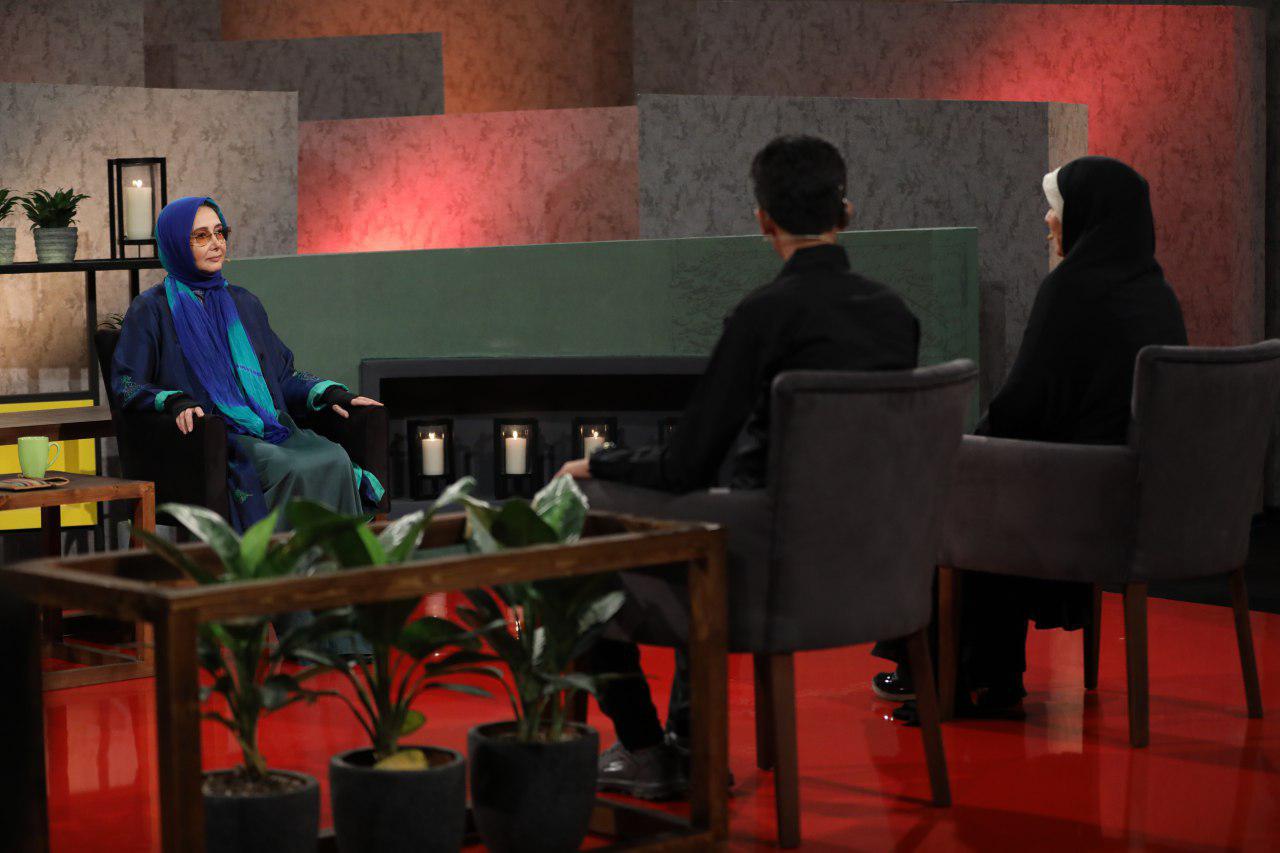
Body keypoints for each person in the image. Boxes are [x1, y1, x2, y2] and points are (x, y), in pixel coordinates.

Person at [558, 135, 921, 798]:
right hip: (872, 568)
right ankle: (688, 744)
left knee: (575, 526)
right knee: (711, 526)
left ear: (763, 220)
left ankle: (646, 748)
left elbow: (684, 464)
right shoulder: (896, 317)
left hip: (758, 566)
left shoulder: (763, 315)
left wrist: (593, 464)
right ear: (846, 211)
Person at [873, 156, 1188, 717]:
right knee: (983, 477)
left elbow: (1023, 404)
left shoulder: (1072, 290)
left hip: (1076, 503)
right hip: (1134, 499)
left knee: (959, 484)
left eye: (1057, 206)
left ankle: (950, 672)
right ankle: (984, 673)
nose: (1047, 218)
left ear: (1087, 215)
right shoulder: (1156, 292)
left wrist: (966, 446)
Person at [111, 196, 386, 531]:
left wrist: (330, 393)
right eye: (201, 236)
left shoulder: (244, 303)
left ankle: (330, 561)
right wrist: (175, 401)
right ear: (175, 244)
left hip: (267, 425)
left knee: (335, 458)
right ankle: (275, 561)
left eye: (220, 232)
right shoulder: (151, 309)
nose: (216, 243)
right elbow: (127, 384)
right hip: (215, 438)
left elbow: (282, 375)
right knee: (287, 466)